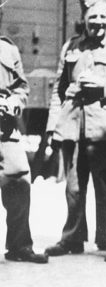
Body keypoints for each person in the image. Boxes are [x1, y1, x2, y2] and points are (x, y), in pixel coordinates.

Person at [44, 0, 106, 262]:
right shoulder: (72, 46)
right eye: (93, 17)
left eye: (103, 16)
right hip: (73, 127)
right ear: (84, 18)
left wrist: (104, 85)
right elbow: (59, 88)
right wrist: (52, 126)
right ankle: (72, 238)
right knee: (74, 189)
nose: (98, 22)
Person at [0, 32, 48, 264]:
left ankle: (19, 245)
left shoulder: (7, 48)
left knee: (19, 180)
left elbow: (21, 87)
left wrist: (14, 102)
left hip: (5, 128)